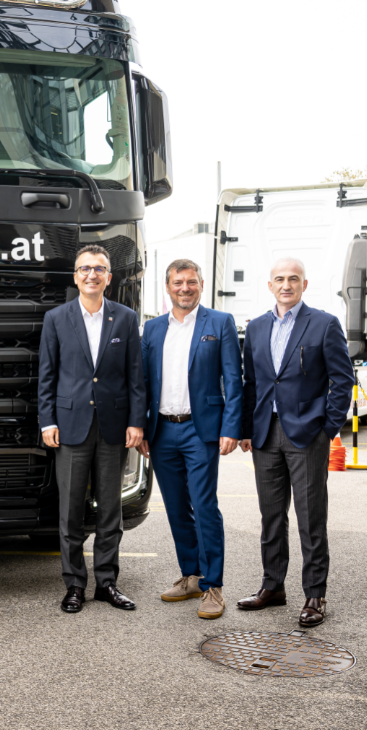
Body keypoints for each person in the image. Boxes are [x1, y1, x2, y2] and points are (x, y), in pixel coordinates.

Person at [238, 257, 353, 627]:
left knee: (310, 516)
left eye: (293, 279)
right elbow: (251, 383)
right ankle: (273, 586)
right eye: (279, 279)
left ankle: (315, 594)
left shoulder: (324, 324)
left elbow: (342, 379)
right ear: (270, 285)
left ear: (304, 285)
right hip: (264, 434)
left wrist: (328, 427)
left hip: (307, 434)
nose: (286, 285)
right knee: (271, 516)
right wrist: (246, 428)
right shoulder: (256, 327)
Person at [38, 244, 146, 613]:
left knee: (110, 511)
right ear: (75, 276)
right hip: (70, 427)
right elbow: (47, 375)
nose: (91, 275)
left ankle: (107, 583)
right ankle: (74, 585)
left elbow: (135, 376)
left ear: (108, 278)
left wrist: (136, 422)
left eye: (99, 269)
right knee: (70, 512)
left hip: (114, 427)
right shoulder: (57, 318)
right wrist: (47, 420)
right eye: (85, 269)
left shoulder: (126, 318)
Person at [141, 259, 243, 620]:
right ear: (168, 287)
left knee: (204, 506)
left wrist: (232, 427)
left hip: (201, 430)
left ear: (201, 284)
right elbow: (142, 383)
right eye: (178, 282)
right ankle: (191, 576)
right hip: (162, 431)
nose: (185, 288)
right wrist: (141, 427)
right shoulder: (153, 328)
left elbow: (234, 379)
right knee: (175, 507)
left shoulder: (220, 322)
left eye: (191, 282)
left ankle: (213, 585)